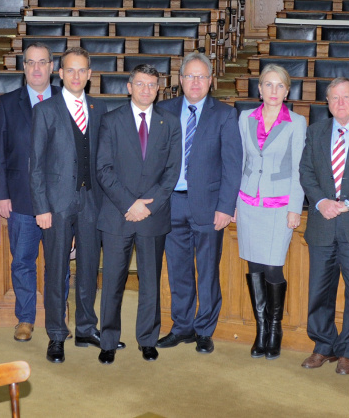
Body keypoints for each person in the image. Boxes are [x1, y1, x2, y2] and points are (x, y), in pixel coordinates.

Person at [30, 47, 124, 363]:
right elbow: (36, 165)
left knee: (88, 267)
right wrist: (41, 207)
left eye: (82, 70)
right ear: (60, 73)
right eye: (70, 69)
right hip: (56, 203)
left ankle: (86, 328)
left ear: (90, 74)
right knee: (56, 269)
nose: (76, 75)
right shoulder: (45, 110)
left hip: (92, 201)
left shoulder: (99, 109)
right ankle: (57, 334)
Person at [156, 53, 242, 354]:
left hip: (209, 206)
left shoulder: (225, 114)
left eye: (201, 76)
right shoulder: (164, 110)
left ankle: (205, 329)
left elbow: (233, 164)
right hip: (172, 204)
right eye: (190, 76)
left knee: (207, 270)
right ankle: (182, 327)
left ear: (211, 81)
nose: (196, 82)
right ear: (180, 80)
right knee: (178, 270)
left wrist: (226, 206)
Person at [95, 65, 181, 364]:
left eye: (152, 85)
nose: (146, 89)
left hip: (153, 215)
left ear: (158, 89)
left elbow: (172, 172)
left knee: (150, 281)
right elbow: (103, 168)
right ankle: (108, 340)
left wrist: (147, 206)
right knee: (112, 281)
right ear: (129, 87)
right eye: (141, 84)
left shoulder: (170, 123)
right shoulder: (111, 121)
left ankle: (147, 338)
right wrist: (129, 204)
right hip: (117, 214)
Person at [298, 78, 349, 375]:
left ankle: (347, 351)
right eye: (334, 98)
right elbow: (306, 171)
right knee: (319, 290)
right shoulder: (315, 131)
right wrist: (320, 202)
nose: (340, 103)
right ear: (327, 103)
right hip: (322, 224)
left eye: (346, 97)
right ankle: (323, 345)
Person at [234, 64, 306, 361]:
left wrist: (294, 208)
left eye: (279, 85)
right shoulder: (245, 118)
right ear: (259, 89)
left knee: (274, 268)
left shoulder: (296, 122)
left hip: (279, 206)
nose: (273, 90)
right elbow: (240, 161)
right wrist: (233, 203)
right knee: (254, 267)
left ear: (287, 91)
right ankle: (261, 329)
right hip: (248, 202)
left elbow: (298, 168)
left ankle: (275, 329)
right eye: (268, 84)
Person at [0, 43, 59, 343]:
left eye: (42, 62)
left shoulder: (66, 99)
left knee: (57, 264)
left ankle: (57, 317)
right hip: (20, 198)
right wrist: (0, 193)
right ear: (24, 67)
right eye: (31, 62)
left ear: (52, 67)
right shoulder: (6, 104)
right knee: (22, 262)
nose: (37, 68)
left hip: (59, 200)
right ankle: (26, 319)